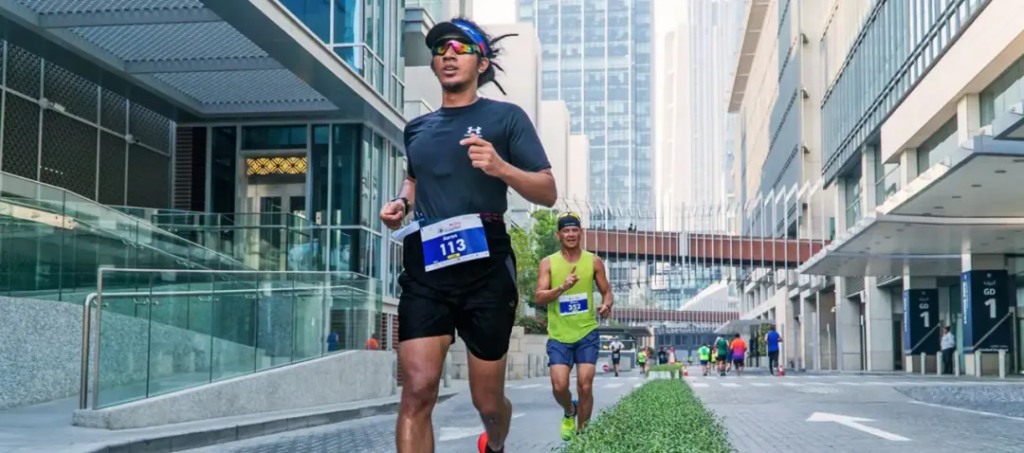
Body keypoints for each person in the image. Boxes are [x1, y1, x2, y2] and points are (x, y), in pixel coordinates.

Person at [380, 17, 556, 453]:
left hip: (485, 261)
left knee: (488, 402)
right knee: (417, 390)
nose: (448, 55)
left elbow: (548, 191)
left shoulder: (505, 118)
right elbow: (415, 179)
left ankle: (494, 442)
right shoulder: (417, 128)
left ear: (481, 63)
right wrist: (402, 202)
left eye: (460, 48)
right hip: (427, 261)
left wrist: (501, 168)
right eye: (440, 49)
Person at [535, 212, 614, 441]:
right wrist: (562, 287)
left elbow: (607, 291)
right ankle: (570, 410)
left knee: (585, 386)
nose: (570, 234)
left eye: (574, 230)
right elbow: (539, 297)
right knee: (559, 387)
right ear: (558, 235)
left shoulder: (593, 261)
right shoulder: (548, 263)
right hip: (559, 335)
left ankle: (582, 436)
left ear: (581, 233)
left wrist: (606, 305)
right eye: (566, 230)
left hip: (586, 332)